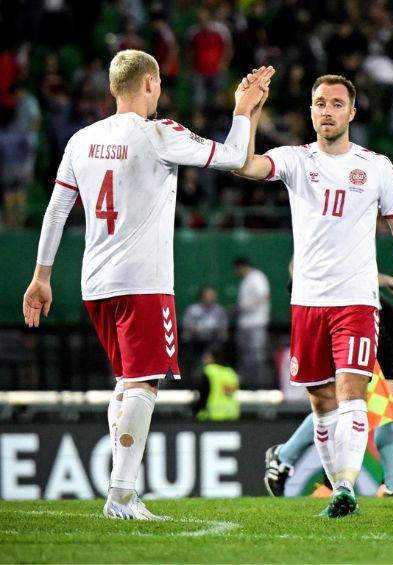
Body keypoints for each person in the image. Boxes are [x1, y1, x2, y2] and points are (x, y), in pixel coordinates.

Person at [22, 49, 273, 520]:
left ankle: (124, 493)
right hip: (143, 281)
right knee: (144, 383)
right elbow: (237, 157)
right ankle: (119, 495)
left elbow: (56, 211)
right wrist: (243, 108)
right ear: (151, 84)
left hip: (95, 284)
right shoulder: (159, 133)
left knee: (126, 383)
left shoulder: (81, 140)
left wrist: (41, 277)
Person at [235, 74, 393, 518]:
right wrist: (247, 112)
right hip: (307, 302)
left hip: (357, 302)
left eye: (336, 103)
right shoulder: (294, 160)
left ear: (352, 112)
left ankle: (344, 488)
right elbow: (244, 165)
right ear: (311, 111)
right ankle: (340, 484)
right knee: (322, 402)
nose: (327, 111)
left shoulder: (377, 166)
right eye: (319, 103)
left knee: (352, 392)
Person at [264, 273, 393, 498]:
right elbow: (299, 264)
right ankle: (294, 459)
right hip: (340, 310)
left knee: (381, 400)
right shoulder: (314, 253)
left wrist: (384, 281)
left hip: (369, 314)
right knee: (343, 400)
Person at [232, 257, 271, 389]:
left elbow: (264, 296)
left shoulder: (257, 277)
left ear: (241, 266)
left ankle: (257, 384)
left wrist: (247, 308)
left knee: (256, 354)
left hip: (256, 322)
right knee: (245, 354)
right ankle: (248, 383)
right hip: (245, 323)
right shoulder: (246, 280)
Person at [181, 285, 229, 381]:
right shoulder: (193, 309)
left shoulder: (218, 310)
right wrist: (199, 330)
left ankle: (214, 375)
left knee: (219, 346)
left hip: (211, 340)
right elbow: (187, 326)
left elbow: (223, 328)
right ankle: (192, 378)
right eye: (208, 295)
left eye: (212, 295)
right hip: (195, 340)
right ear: (202, 296)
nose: (210, 298)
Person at [194, 345, 240, 421]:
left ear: (211, 357)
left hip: (212, 416)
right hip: (232, 415)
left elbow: (204, 394)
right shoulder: (231, 372)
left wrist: (197, 410)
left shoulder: (209, 371)